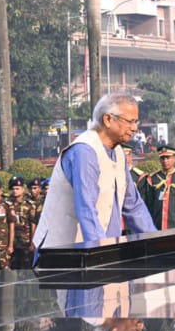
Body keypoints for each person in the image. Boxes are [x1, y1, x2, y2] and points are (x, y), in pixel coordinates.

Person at [32, 93, 156, 264]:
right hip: (66, 254)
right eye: (130, 121)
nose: (134, 128)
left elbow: (133, 205)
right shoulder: (85, 151)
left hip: (98, 254)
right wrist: (103, 254)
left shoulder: (118, 152)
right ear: (107, 119)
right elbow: (86, 208)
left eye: (136, 122)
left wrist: (156, 244)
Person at [143, 145, 175, 229]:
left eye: (168, 158)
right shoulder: (152, 178)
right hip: (157, 223)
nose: (165, 161)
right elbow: (149, 203)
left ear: (174, 159)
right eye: (162, 158)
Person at [7, 175, 36, 270]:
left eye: (17, 188)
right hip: (13, 241)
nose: (15, 191)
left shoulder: (29, 205)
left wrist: (32, 242)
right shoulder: (8, 204)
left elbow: (32, 224)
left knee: (27, 267)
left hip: (25, 241)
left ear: (23, 189)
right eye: (13, 188)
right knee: (13, 267)